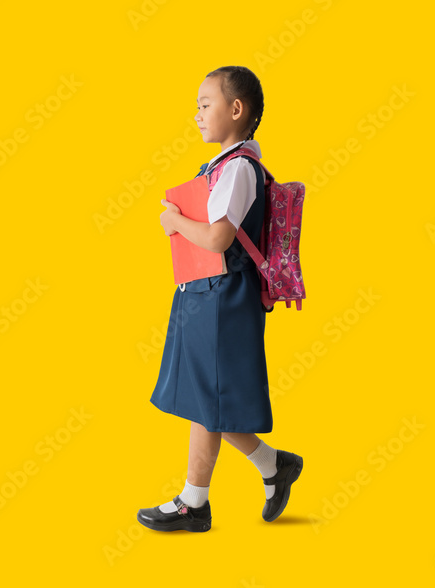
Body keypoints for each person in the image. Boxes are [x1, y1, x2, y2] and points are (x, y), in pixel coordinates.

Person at [137, 66, 303, 533]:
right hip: (206, 292)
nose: (197, 114)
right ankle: (270, 468)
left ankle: (196, 502)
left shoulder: (239, 169)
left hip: (224, 294)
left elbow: (216, 239)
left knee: (208, 397)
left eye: (205, 104)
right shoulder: (223, 166)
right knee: (205, 397)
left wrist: (173, 224)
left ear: (236, 109)